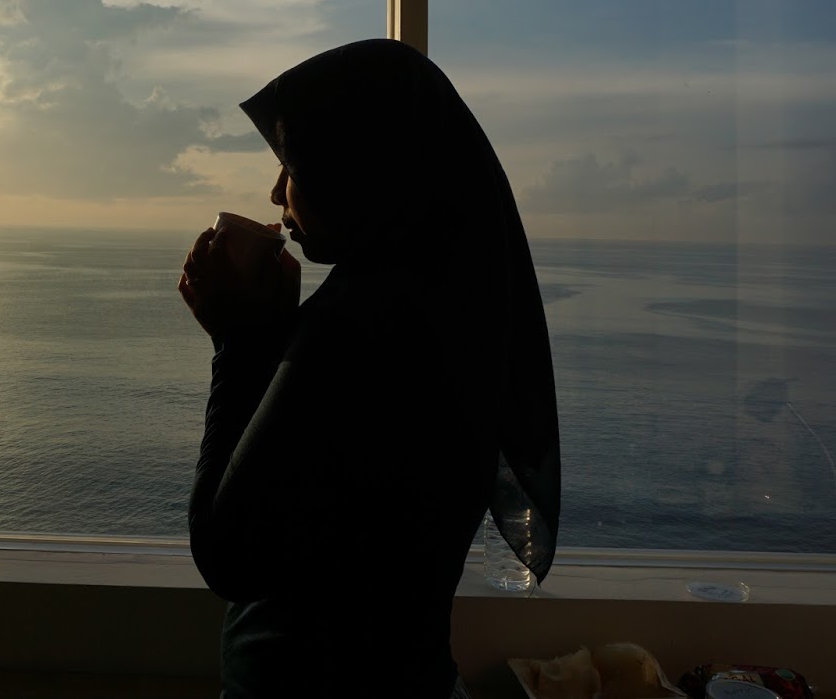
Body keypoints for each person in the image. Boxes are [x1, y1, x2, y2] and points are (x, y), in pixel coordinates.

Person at [178, 38, 560, 698]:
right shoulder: (445, 308)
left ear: (358, 171)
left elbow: (228, 554)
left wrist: (237, 344)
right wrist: (279, 339)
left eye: (293, 165)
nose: (275, 191)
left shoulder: (358, 326)